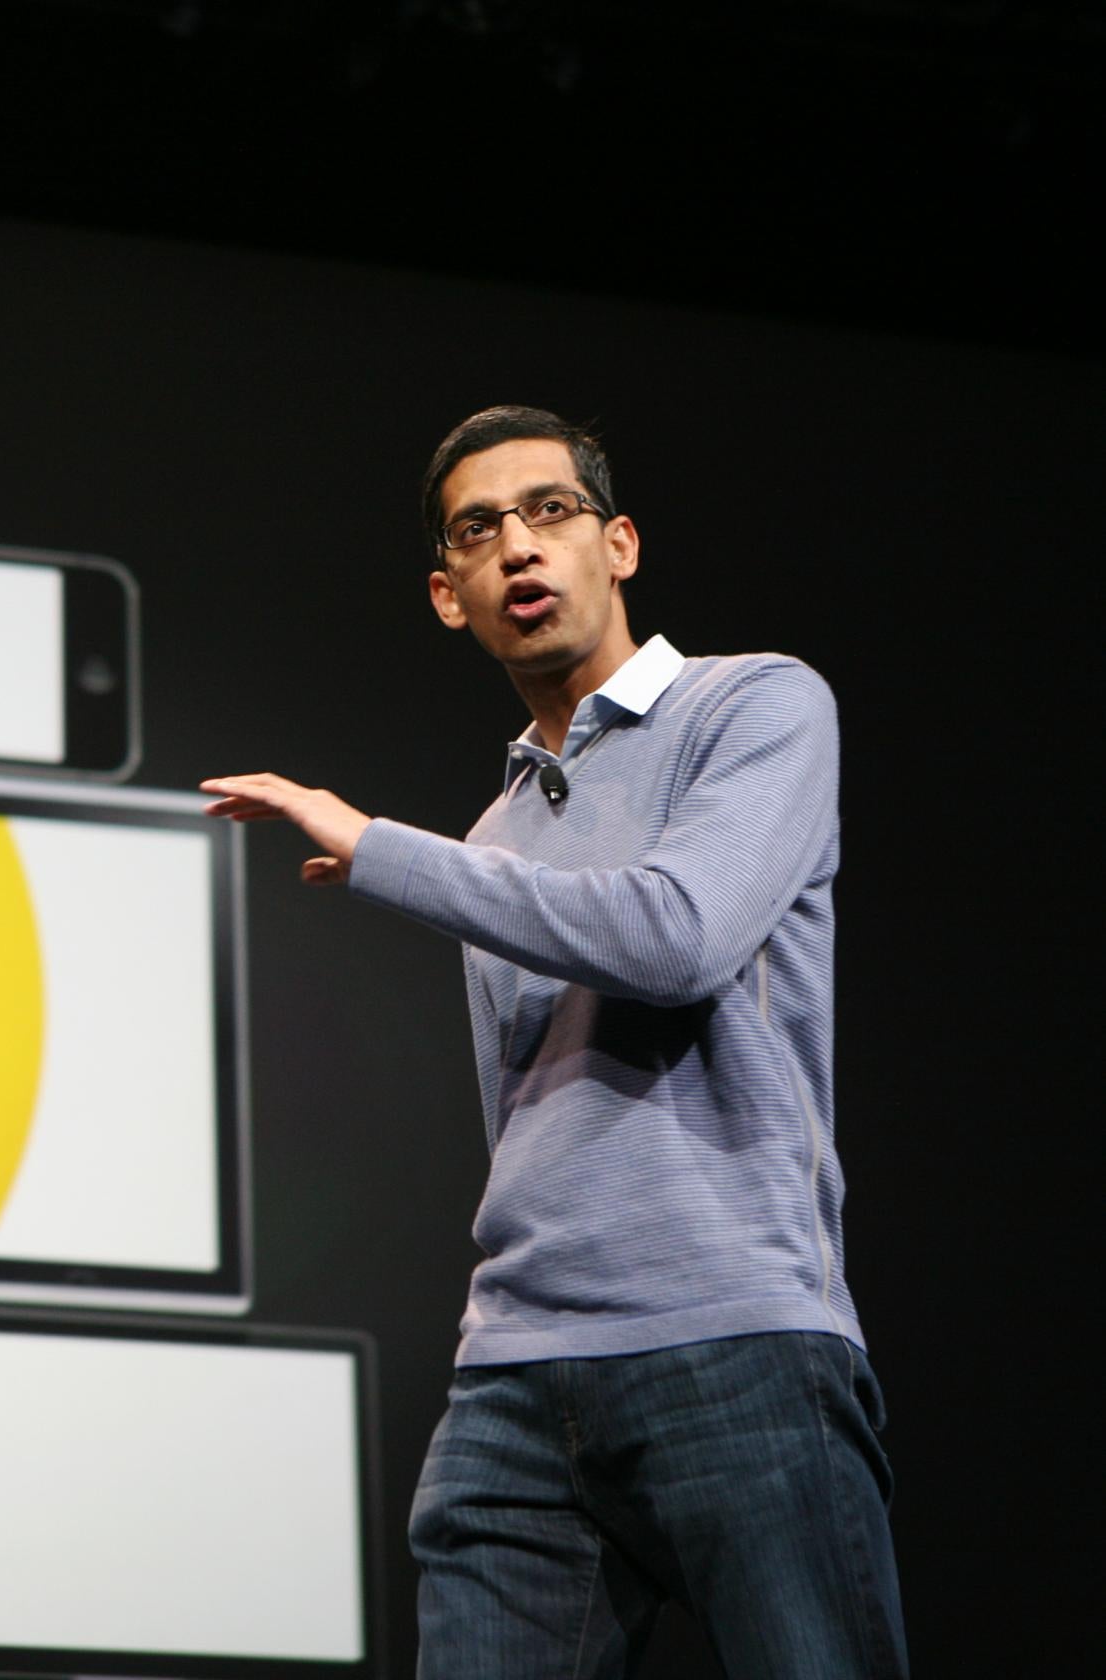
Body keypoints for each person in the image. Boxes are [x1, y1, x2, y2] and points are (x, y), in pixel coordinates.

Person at [200, 406, 905, 1678]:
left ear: (618, 544)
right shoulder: (491, 836)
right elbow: (525, 1110)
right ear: (446, 596)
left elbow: (677, 937)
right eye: (479, 532)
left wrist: (374, 848)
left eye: (549, 513)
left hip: (735, 1338)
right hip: (517, 1375)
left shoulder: (752, 706)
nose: (519, 550)